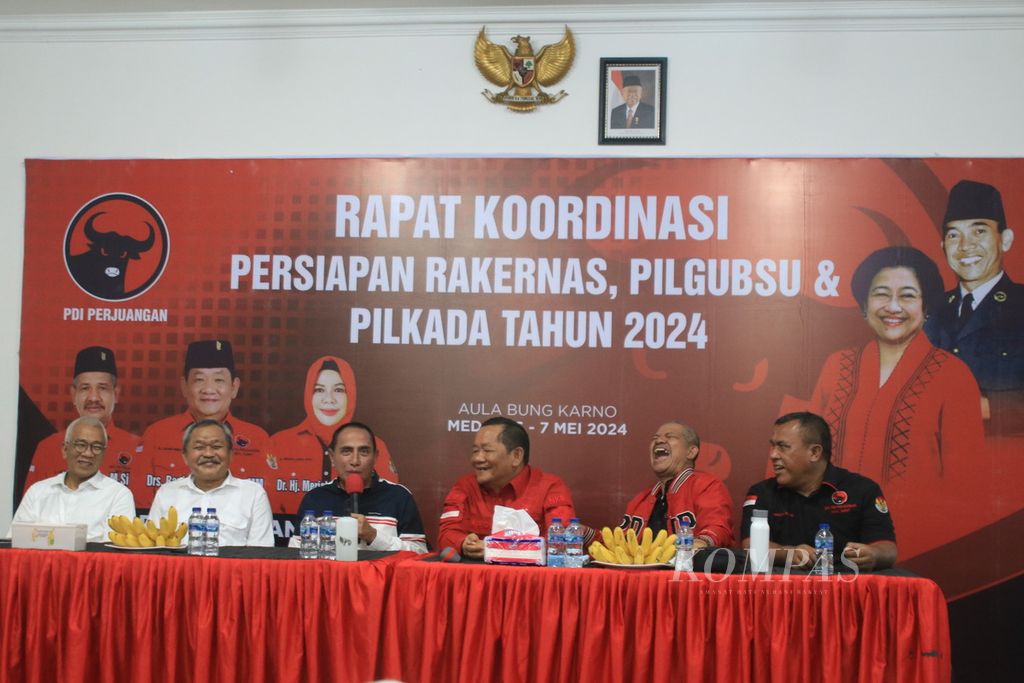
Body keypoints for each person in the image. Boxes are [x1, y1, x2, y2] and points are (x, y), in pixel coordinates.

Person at [800, 246, 986, 557]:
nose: (893, 306)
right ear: (864, 305)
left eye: (908, 295)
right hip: (826, 540)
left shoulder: (953, 375)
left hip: (913, 545)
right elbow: (805, 453)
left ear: (926, 307)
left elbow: (966, 485)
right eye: (881, 294)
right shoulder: (837, 365)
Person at [925, 179, 1024, 435]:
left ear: (1005, 239)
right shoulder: (928, 310)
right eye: (953, 235)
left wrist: (986, 407)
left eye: (979, 231)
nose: (965, 246)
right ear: (942, 247)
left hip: (1004, 458)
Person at [741, 412, 897, 571]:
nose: (773, 455)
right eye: (773, 446)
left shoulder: (863, 489)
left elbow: (888, 548)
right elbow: (750, 546)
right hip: (785, 587)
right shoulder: (762, 493)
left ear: (814, 452)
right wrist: (789, 553)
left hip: (846, 584)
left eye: (783, 447)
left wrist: (873, 554)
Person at [137, 339, 271, 510]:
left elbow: (267, 503)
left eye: (218, 380)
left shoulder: (258, 438)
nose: (209, 389)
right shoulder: (156, 434)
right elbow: (141, 505)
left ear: (234, 387)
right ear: (184, 386)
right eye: (199, 379)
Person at [438, 416, 591, 559]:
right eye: (475, 451)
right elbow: (446, 535)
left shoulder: (550, 487)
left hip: (530, 582)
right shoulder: (465, 486)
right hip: (477, 581)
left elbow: (559, 542)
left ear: (516, 455)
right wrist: (463, 543)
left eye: (487, 451)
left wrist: (498, 549)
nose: (477, 458)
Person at [269, 356, 399, 516]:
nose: (329, 399)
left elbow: (390, 506)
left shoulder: (375, 446)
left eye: (338, 390)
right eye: (319, 390)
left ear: (350, 394)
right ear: (308, 394)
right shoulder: (280, 442)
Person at [294, 421, 426, 553]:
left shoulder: (398, 496)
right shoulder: (315, 498)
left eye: (364, 452)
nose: (355, 461)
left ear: (375, 457)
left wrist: (374, 536)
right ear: (333, 457)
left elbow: (419, 553)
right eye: (346, 451)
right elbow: (294, 554)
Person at [23, 346, 141, 493]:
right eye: (85, 388)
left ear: (116, 394)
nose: (93, 397)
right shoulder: (48, 447)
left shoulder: (137, 448)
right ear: (73, 394)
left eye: (103, 388)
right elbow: (32, 508)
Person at [9, 416, 136, 543]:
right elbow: (14, 543)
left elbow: (115, 554)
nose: (88, 453)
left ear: (104, 454)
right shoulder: (37, 492)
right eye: (81, 445)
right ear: (65, 450)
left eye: (96, 447)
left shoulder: (118, 495)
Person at [148, 419, 273, 547]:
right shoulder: (167, 493)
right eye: (199, 447)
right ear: (185, 456)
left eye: (216, 447)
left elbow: (262, 554)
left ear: (231, 454)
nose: (208, 454)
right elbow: (153, 548)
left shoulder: (253, 494)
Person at [617, 421, 733, 549]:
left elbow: (718, 527)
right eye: (654, 438)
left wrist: (700, 543)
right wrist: (590, 534)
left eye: (670, 436)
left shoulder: (707, 486)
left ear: (691, 452)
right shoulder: (639, 500)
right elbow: (617, 546)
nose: (659, 440)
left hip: (687, 567)